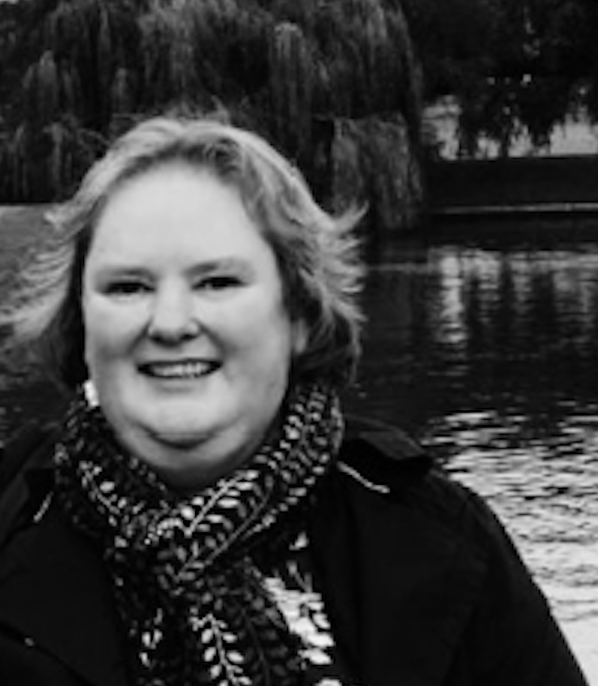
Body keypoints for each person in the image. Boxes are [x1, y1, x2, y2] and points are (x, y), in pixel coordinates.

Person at [0, 114, 589, 686]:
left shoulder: (441, 535)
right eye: (128, 287)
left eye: (217, 282)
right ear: (80, 321)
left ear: (299, 314)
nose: (171, 322)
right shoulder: (10, 524)